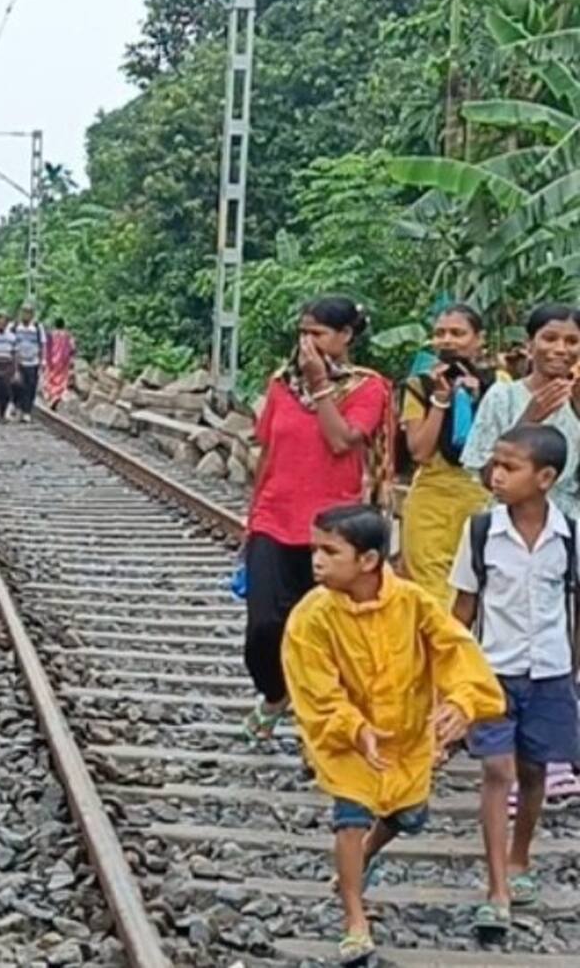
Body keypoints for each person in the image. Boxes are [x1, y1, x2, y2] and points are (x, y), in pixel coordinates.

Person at [283, 504, 504, 967]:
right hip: (349, 740)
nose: (316, 561)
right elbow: (315, 688)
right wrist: (353, 726)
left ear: (367, 560)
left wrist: (463, 701)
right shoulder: (311, 617)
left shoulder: (414, 602)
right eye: (314, 550)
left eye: (329, 551)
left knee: (409, 816)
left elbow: (454, 649)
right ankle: (355, 922)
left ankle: (367, 853)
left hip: (405, 734)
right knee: (349, 815)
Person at [242, 297, 393, 744]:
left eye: (319, 334)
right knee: (264, 628)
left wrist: (321, 384)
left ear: (345, 336)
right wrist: (252, 516)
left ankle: (325, 729)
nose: (307, 343)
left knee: (331, 635)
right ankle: (275, 694)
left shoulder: (368, 388)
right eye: (303, 332)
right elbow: (267, 450)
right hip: (275, 517)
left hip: (335, 529)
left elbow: (342, 441)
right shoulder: (281, 384)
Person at [449, 423, 580, 939]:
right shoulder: (481, 531)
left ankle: (520, 856)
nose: (496, 475)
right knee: (497, 770)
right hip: (492, 673)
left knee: (533, 771)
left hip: (549, 673)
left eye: (510, 467)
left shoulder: (569, 536)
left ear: (545, 477)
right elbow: (461, 610)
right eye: (495, 465)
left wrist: (575, 670)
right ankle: (497, 886)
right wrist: (446, 675)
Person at [396, 305, 500, 603]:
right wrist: (441, 400)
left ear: (479, 339)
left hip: (483, 500)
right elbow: (420, 451)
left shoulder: (500, 384)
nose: (447, 340)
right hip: (432, 503)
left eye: (458, 333)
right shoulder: (420, 385)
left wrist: (479, 397)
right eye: (440, 333)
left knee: (479, 595)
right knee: (433, 599)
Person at [461, 303, 580, 517]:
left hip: (569, 525)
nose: (561, 349)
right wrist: (528, 420)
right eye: (550, 338)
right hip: (509, 524)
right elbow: (488, 478)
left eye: (572, 341)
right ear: (529, 345)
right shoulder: (503, 397)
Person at [10, 305, 46, 420]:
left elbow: (42, 344)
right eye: (24, 312)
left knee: (30, 387)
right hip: (18, 362)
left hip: (33, 362)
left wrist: (43, 360)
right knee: (17, 386)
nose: (26, 315)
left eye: (28, 313)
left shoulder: (37, 328)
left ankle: (27, 411)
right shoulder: (15, 327)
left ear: (32, 315)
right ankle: (16, 405)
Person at [43, 317, 77, 408]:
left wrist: (46, 359)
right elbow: (72, 348)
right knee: (61, 379)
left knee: (50, 378)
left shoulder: (50, 335)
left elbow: (47, 347)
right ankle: (57, 396)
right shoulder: (67, 335)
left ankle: (51, 396)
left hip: (51, 360)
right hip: (63, 362)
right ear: (63, 325)